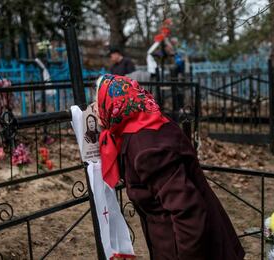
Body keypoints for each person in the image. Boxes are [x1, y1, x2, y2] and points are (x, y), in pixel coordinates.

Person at [95, 74, 245, 260]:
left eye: (97, 102)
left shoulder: (146, 148)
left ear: (110, 104)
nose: (95, 109)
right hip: (201, 239)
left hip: (186, 248)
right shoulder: (150, 122)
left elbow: (187, 212)